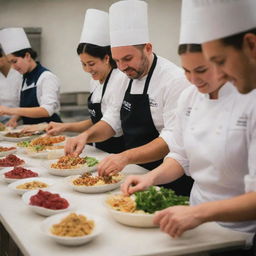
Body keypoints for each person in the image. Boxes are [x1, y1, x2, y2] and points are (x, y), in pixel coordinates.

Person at [121, 0, 256, 243]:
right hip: (192, 223)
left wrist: (198, 214)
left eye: (205, 68)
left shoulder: (249, 99)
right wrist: (150, 178)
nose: (193, 80)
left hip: (239, 233)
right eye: (186, 70)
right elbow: (181, 155)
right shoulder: (189, 97)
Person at [65, 0, 193, 196]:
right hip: (134, 171)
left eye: (128, 58)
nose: (122, 67)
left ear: (148, 48)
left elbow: (172, 139)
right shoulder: (126, 76)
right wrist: (86, 136)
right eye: (117, 60)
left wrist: (125, 157)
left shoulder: (173, 80)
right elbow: (112, 119)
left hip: (167, 177)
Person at [46, 9, 126, 154]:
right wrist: (64, 127)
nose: (88, 69)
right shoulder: (94, 82)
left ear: (107, 58)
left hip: (118, 151)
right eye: (83, 64)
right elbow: (95, 120)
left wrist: (84, 136)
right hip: (99, 149)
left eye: (91, 63)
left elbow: (112, 122)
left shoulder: (120, 79)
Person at [0, 27, 61, 126]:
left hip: (51, 132)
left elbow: (46, 110)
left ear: (27, 56)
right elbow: (26, 108)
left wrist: (10, 110)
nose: (13, 67)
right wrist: (15, 118)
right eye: (10, 63)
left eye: (15, 61)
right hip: (31, 133)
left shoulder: (47, 77)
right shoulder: (23, 78)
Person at [0, 46, 22, 125]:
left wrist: (14, 119)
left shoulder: (19, 74)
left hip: (19, 120)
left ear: (6, 56)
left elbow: (24, 103)